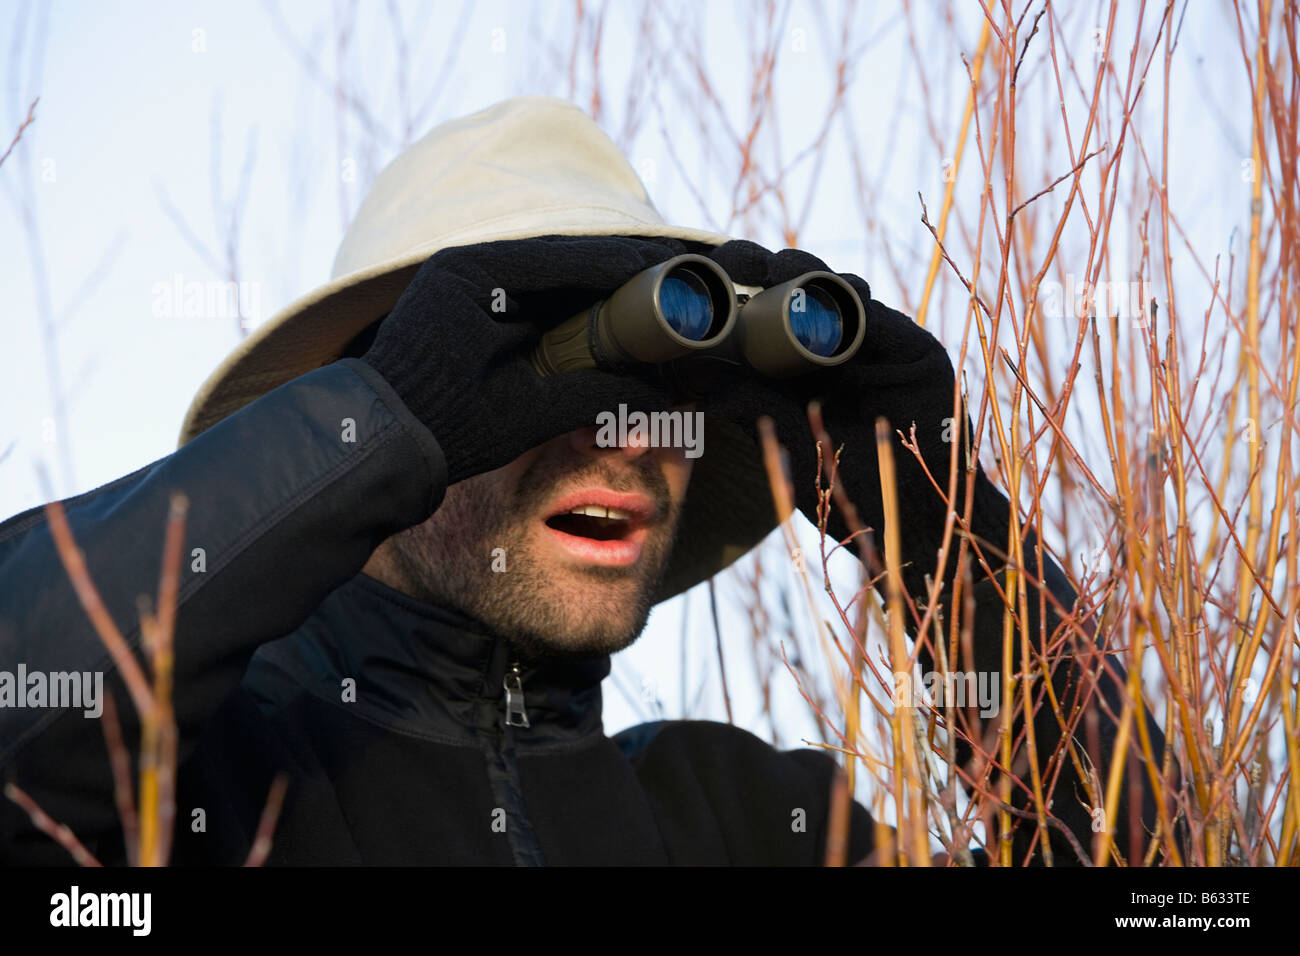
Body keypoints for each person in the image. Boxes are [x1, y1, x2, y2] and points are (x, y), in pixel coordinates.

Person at [0, 96, 1167, 866]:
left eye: (663, 380)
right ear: (382, 401)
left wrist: (941, 537)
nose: (619, 434)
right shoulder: (196, 788)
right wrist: (386, 430)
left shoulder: (745, 820)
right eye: (544, 376)